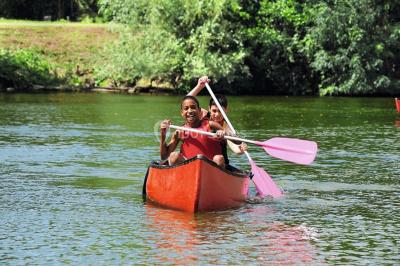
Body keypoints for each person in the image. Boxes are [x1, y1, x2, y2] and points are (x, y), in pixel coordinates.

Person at [187, 76, 247, 167]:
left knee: (218, 159)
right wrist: (199, 86)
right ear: (209, 109)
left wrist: (241, 149)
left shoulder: (226, 126)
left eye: (220, 111)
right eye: (214, 111)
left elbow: (235, 149)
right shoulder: (202, 114)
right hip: (201, 159)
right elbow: (186, 102)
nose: (217, 114)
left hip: (219, 162)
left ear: (226, 110)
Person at [160, 95, 226, 167]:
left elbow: (234, 141)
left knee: (219, 159)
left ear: (199, 111)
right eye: (186, 108)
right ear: (182, 113)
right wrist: (163, 134)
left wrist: (224, 134)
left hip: (210, 168)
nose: (190, 111)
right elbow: (164, 156)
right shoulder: (179, 131)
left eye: (193, 107)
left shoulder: (212, 125)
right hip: (188, 168)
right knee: (174, 156)